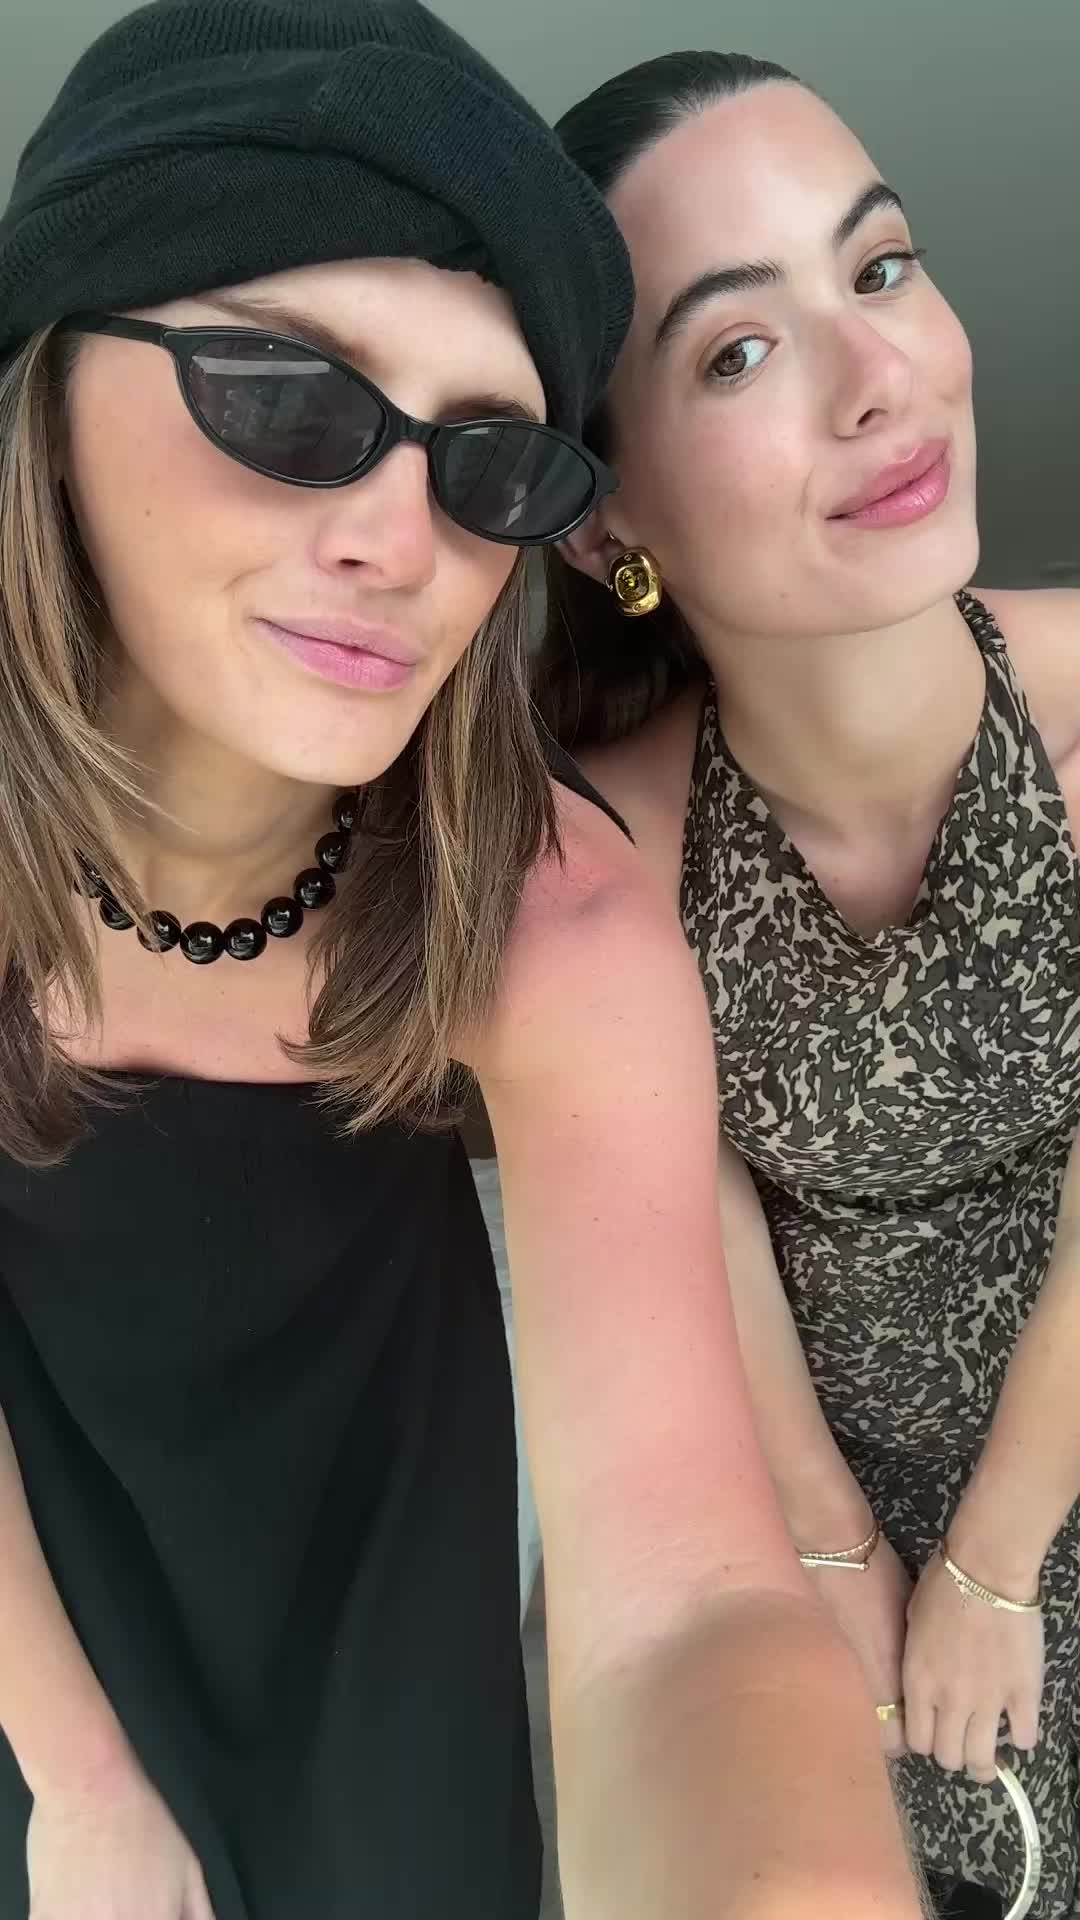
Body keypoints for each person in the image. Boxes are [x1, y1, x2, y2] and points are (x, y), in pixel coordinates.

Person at [0, 6, 929, 1919]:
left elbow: (686, 1602)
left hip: (374, 1575)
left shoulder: (550, 906)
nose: (397, 538)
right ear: (51, 380)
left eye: (489, 461)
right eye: (284, 396)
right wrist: (76, 1773)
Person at [540, 48, 1080, 1920]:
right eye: (739, 351)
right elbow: (689, 1206)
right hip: (786, 1494)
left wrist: (997, 1562)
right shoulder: (605, 842)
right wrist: (833, 1549)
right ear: (606, 524)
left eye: (881, 268)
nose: (880, 378)